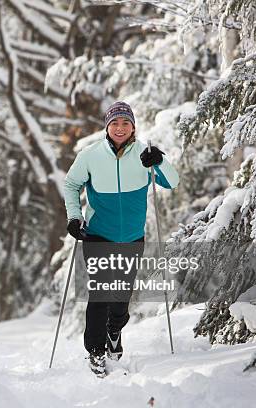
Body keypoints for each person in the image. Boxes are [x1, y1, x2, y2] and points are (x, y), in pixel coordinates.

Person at [63, 101, 179, 376]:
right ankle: (96, 353)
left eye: (125, 123)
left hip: (131, 237)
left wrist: (160, 160)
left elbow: (172, 182)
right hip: (98, 234)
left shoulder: (144, 154)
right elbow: (71, 184)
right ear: (107, 126)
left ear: (133, 127)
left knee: (120, 298)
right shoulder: (90, 155)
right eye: (114, 123)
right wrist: (73, 217)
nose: (119, 128)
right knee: (100, 293)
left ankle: (114, 330)